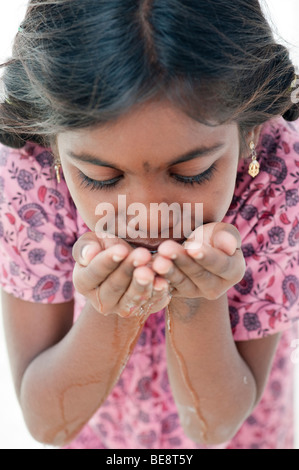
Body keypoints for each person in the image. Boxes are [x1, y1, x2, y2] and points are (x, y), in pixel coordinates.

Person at [0, 0, 298, 450]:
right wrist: (113, 311)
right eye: (101, 177)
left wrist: (200, 300)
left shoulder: (279, 180)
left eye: (192, 173)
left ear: (250, 133)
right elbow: (47, 425)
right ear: (55, 150)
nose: (149, 215)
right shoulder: (29, 178)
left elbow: (213, 428)